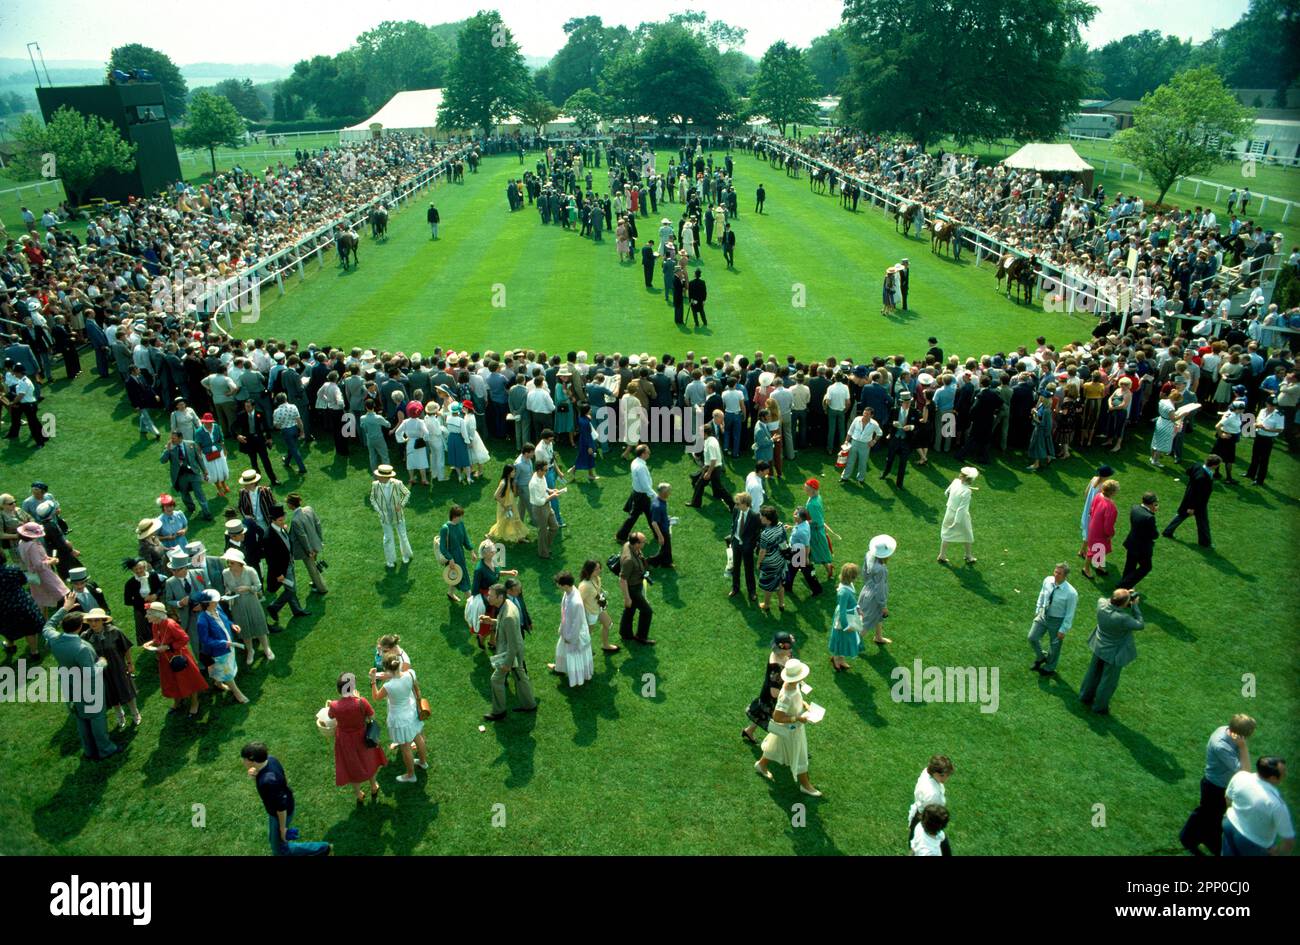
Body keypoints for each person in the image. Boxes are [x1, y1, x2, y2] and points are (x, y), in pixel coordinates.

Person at [41, 596, 117, 760]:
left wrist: (65, 609)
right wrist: (102, 663)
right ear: (79, 627)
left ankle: (89, 750)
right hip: (88, 689)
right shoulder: (81, 648)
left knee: (81, 718)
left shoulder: (54, 639)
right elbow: (89, 672)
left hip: (69, 685)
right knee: (96, 717)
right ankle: (105, 749)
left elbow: (47, 625)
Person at [1179, 714, 1255, 856]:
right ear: (1238, 735)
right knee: (1207, 814)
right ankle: (1187, 838)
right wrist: (1243, 747)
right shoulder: (1221, 746)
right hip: (1215, 787)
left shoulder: (1226, 730)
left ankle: (1200, 838)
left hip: (1219, 785)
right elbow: (1246, 772)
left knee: (1211, 815)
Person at [240, 742, 331, 855]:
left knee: (279, 849)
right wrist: (256, 774)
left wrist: (283, 829)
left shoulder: (268, 781)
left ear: (251, 760)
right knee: (276, 842)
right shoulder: (271, 760)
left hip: (280, 813)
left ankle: (323, 848)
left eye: (244, 759)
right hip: (284, 802)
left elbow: (281, 808)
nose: (242, 761)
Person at [754, 658, 820, 796]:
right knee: (801, 755)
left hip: (790, 729)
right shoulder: (786, 696)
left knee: (776, 746)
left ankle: (761, 765)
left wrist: (804, 704)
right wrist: (797, 718)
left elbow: (797, 698)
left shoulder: (793, 684)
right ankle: (805, 785)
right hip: (791, 729)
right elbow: (777, 716)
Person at [1078, 588, 1145, 715]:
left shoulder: (1101, 603)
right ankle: (1100, 707)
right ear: (1124, 604)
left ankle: (1085, 696)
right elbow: (1140, 624)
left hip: (1098, 645)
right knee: (1108, 681)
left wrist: (1123, 595)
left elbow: (1109, 600)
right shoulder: (1123, 618)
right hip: (1114, 652)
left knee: (1092, 673)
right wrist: (1135, 606)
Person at [327, 672, 386, 806]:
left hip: (345, 740)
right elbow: (372, 715)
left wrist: (331, 704)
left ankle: (358, 794)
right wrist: (358, 700)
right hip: (363, 737)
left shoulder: (334, 705)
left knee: (351, 766)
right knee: (369, 761)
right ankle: (373, 786)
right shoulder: (361, 702)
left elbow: (330, 716)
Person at [79, 606, 141, 730]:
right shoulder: (85, 636)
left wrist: (129, 663)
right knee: (110, 693)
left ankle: (135, 713)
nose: (93, 623)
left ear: (103, 620)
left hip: (118, 667)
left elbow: (126, 647)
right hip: (100, 671)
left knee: (125, 689)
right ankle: (120, 715)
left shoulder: (115, 631)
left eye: (96, 620)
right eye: (91, 621)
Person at [369, 655, 428, 783]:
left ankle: (411, 775)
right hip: (412, 712)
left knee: (405, 746)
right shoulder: (410, 674)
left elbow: (376, 697)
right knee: (418, 737)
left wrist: (373, 680)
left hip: (400, 719)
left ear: (386, 669)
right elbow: (417, 690)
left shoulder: (388, 686)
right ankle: (423, 762)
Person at [483, 583, 538, 720]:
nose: (488, 597)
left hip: (511, 653)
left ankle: (499, 711)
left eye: (491, 596)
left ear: (500, 597)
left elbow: (512, 645)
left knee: (496, 680)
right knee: (520, 677)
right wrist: (491, 621)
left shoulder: (508, 616)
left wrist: (507, 664)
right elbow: (505, 625)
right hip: (515, 650)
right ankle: (530, 705)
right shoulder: (507, 604)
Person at [1221, 757, 1294, 857]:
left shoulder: (1240, 776)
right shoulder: (1276, 804)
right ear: (1272, 778)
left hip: (1229, 825)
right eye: (1283, 773)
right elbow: (1288, 840)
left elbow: (1228, 798)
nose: (1285, 774)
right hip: (1253, 843)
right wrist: (1278, 853)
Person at [143, 601, 206, 714]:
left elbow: (185, 639)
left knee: (189, 680)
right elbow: (158, 638)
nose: (146, 616)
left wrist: (167, 647)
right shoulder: (155, 624)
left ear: (157, 614)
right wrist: (151, 642)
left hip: (179, 657)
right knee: (172, 681)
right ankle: (177, 701)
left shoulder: (171, 624)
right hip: (165, 659)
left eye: (149, 614)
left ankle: (194, 703)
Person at [196, 588, 250, 704]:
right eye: (215, 601)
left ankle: (218, 683)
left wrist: (232, 625)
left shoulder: (218, 608)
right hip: (218, 651)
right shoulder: (202, 620)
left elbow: (226, 620)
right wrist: (222, 644)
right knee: (227, 672)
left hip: (229, 645)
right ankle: (237, 693)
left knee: (224, 667)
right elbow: (205, 640)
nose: (218, 602)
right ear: (207, 603)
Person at [222, 548, 273, 665]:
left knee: (258, 624)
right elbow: (227, 587)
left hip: (251, 601)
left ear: (239, 562)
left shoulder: (250, 571)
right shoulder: (225, 573)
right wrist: (228, 593)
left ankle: (266, 648)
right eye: (228, 562)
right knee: (243, 627)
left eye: (232, 562)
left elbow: (258, 586)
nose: (229, 565)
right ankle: (250, 651)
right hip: (237, 604)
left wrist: (248, 588)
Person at [1028, 562, 1078, 677]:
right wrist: (1038, 609)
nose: (1056, 575)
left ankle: (1050, 667)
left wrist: (1063, 629)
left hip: (1057, 620)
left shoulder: (1071, 593)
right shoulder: (1047, 581)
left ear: (1065, 576)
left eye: (1059, 573)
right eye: (1055, 571)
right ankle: (1041, 657)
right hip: (1043, 615)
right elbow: (1042, 594)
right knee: (1032, 637)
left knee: (1055, 646)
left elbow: (1070, 613)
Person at [1162, 454, 1221, 548]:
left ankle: (1168, 532)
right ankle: (1205, 542)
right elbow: (1196, 494)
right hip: (1197, 503)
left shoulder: (1197, 465)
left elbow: (1188, 471)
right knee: (1202, 522)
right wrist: (1191, 507)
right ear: (1214, 465)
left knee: (1182, 516)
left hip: (1190, 499)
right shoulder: (1202, 477)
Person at [548, 571, 593, 687]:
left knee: (574, 655)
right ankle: (559, 668)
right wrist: (562, 628)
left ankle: (577, 678)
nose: (557, 585)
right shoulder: (568, 592)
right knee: (562, 649)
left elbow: (577, 623)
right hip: (566, 629)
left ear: (566, 585)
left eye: (559, 584)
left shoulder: (576, 602)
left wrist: (569, 637)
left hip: (574, 634)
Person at [0, 547, 44, 658]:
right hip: (21, 603)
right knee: (29, 628)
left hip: (2, 608)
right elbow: (23, 581)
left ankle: (10, 645)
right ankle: (34, 652)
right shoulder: (13, 569)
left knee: (6, 626)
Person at [907, 755, 954, 854]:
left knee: (916, 843)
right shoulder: (932, 795)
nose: (947, 777)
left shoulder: (927, 772)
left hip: (921, 817)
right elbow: (934, 812)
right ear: (937, 773)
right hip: (929, 821)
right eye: (945, 775)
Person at [370, 464, 413, 568]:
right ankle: (390, 560)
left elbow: (407, 493)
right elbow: (372, 499)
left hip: (398, 515)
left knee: (402, 536)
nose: (377, 477)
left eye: (379, 476)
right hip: (384, 516)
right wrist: (379, 510)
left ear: (386, 477)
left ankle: (406, 555)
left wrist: (401, 504)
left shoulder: (398, 484)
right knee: (388, 538)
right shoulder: (375, 485)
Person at [286, 492, 328, 596]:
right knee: (314, 565)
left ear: (291, 505)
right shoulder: (309, 509)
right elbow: (318, 524)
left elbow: (302, 537)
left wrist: (310, 551)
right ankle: (315, 583)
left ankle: (322, 588)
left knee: (312, 569)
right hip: (316, 543)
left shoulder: (295, 520)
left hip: (307, 549)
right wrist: (320, 540)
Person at [618, 533, 655, 646]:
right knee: (647, 611)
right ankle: (641, 636)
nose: (645, 543)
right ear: (637, 544)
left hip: (636, 585)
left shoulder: (629, 544)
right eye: (643, 542)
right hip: (632, 588)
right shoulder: (629, 560)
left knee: (630, 610)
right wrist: (627, 598)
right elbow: (622, 579)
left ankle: (625, 633)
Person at [1117, 492, 1159, 590]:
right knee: (1146, 567)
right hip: (1142, 547)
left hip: (1132, 542)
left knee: (1130, 565)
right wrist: (1153, 512)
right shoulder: (1149, 517)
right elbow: (1154, 534)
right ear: (1151, 504)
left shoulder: (1135, 508)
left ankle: (1124, 586)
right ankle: (1123, 585)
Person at [859, 533, 895, 645]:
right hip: (873, 597)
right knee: (867, 621)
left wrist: (868, 585)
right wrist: (883, 605)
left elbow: (864, 573)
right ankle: (851, 645)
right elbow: (880, 589)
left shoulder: (868, 555)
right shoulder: (881, 569)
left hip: (866, 590)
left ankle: (878, 637)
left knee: (877, 616)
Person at [937, 467, 978, 565]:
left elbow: (946, 493)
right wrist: (956, 522)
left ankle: (942, 555)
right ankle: (968, 555)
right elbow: (961, 509)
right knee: (967, 534)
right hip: (960, 517)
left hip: (949, 511)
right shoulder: (967, 492)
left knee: (946, 534)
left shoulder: (955, 482)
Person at [578, 558, 620, 654]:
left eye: (599, 568)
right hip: (590, 612)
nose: (599, 570)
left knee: (608, 624)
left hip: (598, 609)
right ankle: (584, 651)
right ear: (589, 570)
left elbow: (597, 592)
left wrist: (601, 599)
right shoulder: (585, 585)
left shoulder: (597, 578)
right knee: (587, 634)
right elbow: (578, 601)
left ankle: (605, 645)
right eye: (596, 569)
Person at [616, 444, 655, 543]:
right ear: (643, 454)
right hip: (642, 496)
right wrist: (656, 496)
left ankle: (658, 534)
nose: (649, 453)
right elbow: (645, 486)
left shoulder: (635, 461)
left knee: (649, 515)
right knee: (635, 517)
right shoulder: (641, 467)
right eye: (648, 452)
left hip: (638, 494)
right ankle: (621, 536)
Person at [1081, 478, 1120, 579]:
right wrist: (1110, 534)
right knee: (1095, 550)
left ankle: (1098, 565)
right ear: (1113, 492)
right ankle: (1086, 569)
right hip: (1101, 531)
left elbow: (1092, 509)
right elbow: (1108, 525)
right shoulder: (1111, 507)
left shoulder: (1098, 495)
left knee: (1098, 548)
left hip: (1093, 526)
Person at [828, 563, 862, 672]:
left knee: (844, 640)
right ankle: (836, 659)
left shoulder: (848, 585)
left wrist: (858, 608)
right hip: (844, 619)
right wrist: (846, 626)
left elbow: (852, 601)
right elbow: (842, 611)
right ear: (851, 577)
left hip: (850, 614)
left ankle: (840, 659)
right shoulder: (844, 592)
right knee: (841, 639)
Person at [755, 506, 790, 613]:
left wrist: (758, 562)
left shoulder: (765, 534)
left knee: (768, 586)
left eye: (762, 516)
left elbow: (762, 551)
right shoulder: (780, 525)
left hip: (770, 563)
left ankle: (766, 605)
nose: (760, 517)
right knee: (779, 583)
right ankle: (781, 603)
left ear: (768, 519)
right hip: (781, 559)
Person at [487, 465, 530, 544]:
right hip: (505, 506)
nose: (514, 473)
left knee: (516, 519)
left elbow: (514, 494)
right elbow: (496, 496)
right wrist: (505, 506)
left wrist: (514, 486)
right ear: (508, 473)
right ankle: (490, 535)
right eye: (513, 472)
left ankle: (520, 537)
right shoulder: (503, 483)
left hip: (511, 504)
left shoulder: (510, 481)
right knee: (503, 522)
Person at [802, 478, 835, 582]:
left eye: (807, 489)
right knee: (813, 551)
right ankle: (807, 568)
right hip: (816, 530)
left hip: (815, 531)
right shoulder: (816, 497)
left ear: (813, 490)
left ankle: (827, 568)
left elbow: (815, 520)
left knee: (817, 552)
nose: (804, 490)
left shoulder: (813, 504)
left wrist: (802, 521)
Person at [528, 461, 561, 560]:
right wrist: (551, 496)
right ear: (539, 470)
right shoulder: (533, 483)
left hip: (547, 506)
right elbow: (539, 501)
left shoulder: (541, 476)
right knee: (543, 531)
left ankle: (546, 546)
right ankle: (543, 553)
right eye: (545, 470)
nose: (547, 472)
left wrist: (549, 490)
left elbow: (544, 487)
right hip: (539, 508)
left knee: (555, 527)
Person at [840, 406, 882, 484]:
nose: (865, 415)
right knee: (850, 461)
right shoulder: (857, 419)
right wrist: (846, 441)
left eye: (867, 414)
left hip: (865, 445)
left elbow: (880, 433)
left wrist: (874, 441)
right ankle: (844, 477)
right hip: (854, 443)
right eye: (864, 413)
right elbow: (850, 430)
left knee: (863, 463)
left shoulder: (874, 424)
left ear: (871, 416)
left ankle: (861, 479)